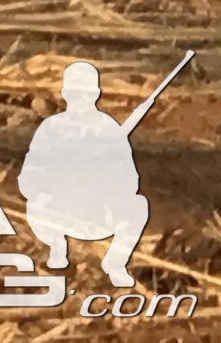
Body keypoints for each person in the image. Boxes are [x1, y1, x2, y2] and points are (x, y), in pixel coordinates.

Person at [18, 61, 150, 287]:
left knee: (138, 205)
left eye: (85, 92)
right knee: (37, 203)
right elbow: (29, 177)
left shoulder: (109, 129)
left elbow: (130, 181)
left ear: (96, 93)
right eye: (75, 92)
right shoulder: (51, 128)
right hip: (59, 211)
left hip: (98, 212)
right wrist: (57, 181)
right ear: (65, 94)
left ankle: (115, 262)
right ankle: (57, 249)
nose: (80, 98)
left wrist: (102, 177)